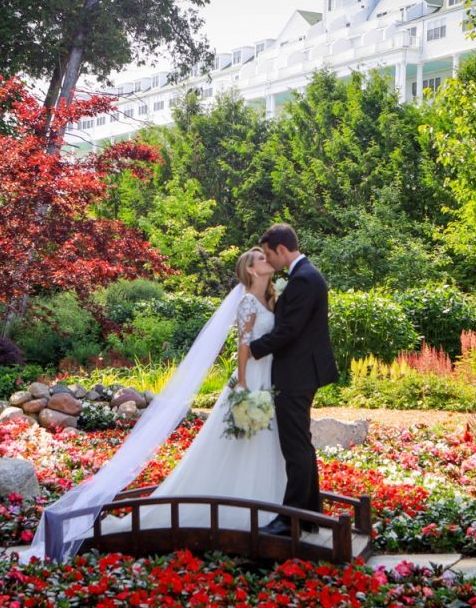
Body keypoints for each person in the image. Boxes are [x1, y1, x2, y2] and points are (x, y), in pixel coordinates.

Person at [95, 247, 288, 533]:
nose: (267, 260)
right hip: (252, 377)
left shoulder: (270, 299)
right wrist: (244, 384)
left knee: (265, 440)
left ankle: (268, 500)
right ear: (250, 269)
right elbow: (243, 345)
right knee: (245, 439)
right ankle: (241, 506)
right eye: (261, 258)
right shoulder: (248, 301)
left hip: (270, 375)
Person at [249, 224, 339, 536]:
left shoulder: (303, 279)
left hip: (296, 374)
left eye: (270, 254)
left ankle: (291, 521)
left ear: (282, 249)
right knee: (301, 444)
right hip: (302, 372)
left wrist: (252, 350)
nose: (269, 260)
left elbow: (289, 331)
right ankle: (309, 516)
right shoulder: (307, 275)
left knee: (295, 447)